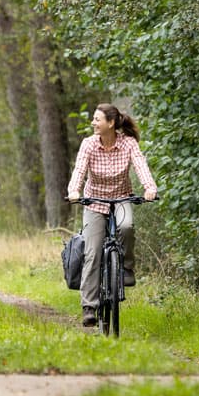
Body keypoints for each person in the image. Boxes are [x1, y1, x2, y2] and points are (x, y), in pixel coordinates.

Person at [67, 103, 157, 327]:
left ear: (111, 123)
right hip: (94, 202)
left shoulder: (128, 143)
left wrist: (149, 188)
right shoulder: (88, 144)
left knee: (126, 227)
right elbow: (79, 170)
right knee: (92, 252)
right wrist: (73, 191)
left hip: (121, 198)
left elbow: (140, 165)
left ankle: (126, 267)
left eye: (97, 119)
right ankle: (89, 306)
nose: (93, 123)